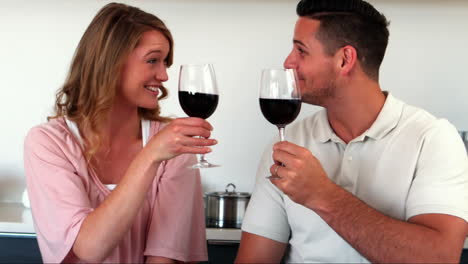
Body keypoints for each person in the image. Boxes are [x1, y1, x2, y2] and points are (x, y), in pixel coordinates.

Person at [236, 0, 468, 263]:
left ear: (345, 59)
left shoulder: (432, 139)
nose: (288, 62)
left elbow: (439, 258)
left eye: (301, 50)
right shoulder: (287, 142)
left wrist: (321, 194)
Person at [23, 3, 215, 263]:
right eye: (153, 60)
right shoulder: (48, 143)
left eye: (166, 62)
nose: (164, 75)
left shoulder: (174, 146)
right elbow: (89, 248)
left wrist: (158, 151)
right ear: (111, 62)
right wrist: (150, 156)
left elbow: (164, 258)